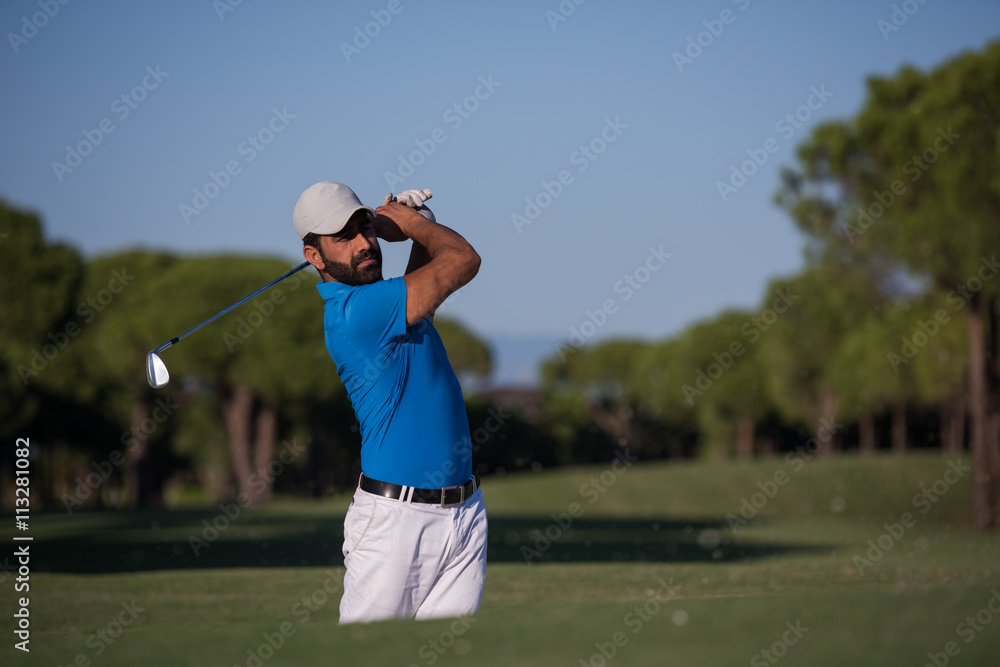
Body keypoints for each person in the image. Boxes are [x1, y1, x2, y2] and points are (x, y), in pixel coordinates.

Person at [293, 181, 486, 624]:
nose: (365, 243)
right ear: (314, 257)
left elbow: (425, 288)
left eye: (367, 228)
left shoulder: (390, 306)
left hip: (463, 513)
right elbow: (462, 261)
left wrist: (419, 227)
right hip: (395, 522)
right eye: (344, 237)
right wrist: (413, 223)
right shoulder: (355, 313)